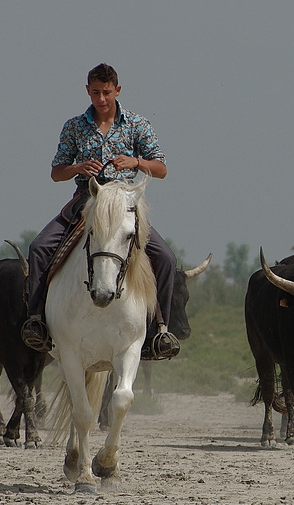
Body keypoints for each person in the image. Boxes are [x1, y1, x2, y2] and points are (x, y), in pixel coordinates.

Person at [21, 63, 180, 360]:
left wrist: (136, 163)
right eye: (96, 92)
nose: (101, 99)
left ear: (117, 91)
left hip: (124, 202)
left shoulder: (137, 125)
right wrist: (78, 168)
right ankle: (37, 321)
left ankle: (161, 329)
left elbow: (161, 168)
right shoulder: (74, 126)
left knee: (166, 258)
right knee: (39, 247)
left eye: (107, 92)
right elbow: (56, 172)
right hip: (87, 200)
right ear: (87, 91)